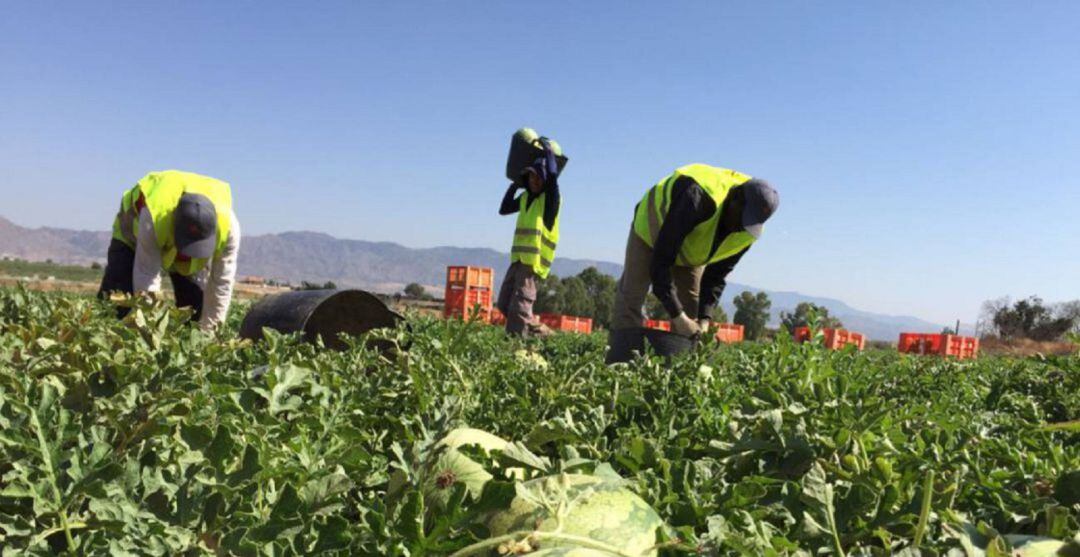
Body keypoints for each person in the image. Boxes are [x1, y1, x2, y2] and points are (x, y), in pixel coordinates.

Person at [608, 163, 778, 361]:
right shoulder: (699, 196)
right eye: (742, 218)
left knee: (691, 307)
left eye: (749, 223)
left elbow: (716, 276)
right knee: (632, 295)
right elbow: (661, 263)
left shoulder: (748, 231)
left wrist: (705, 319)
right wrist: (677, 316)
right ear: (735, 200)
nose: (741, 227)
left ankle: (676, 372)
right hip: (652, 230)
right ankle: (620, 365)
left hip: (693, 249)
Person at [98, 170, 241, 331]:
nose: (187, 254)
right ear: (174, 226)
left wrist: (211, 332)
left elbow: (222, 284)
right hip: (132, 235)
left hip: (174, 238)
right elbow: (146, 276)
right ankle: (98, 338)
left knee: (194, 308)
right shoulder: (154, 217)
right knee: (115, 300)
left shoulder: (229, 230)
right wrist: (150, 332)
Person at [495, 140, 561, 336]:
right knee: (504, 303)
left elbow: (553, 181)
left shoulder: (550, 202)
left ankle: (515, 346)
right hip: (517, 261)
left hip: (533, 265)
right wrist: (514, 185)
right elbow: (504, 209)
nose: (534, 181)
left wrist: (549, 153)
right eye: (531, 177)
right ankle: (542, 332)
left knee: (520, 308)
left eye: (538, 178)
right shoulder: (525, 198)